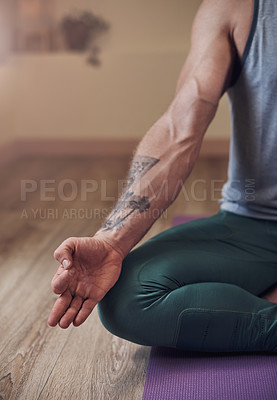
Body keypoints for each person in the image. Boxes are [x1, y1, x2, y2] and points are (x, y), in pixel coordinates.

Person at [48, 0, 277, 352]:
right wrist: (112, 241)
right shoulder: (234, 8)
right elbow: (179, 128)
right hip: (255, 227)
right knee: (127, 297)